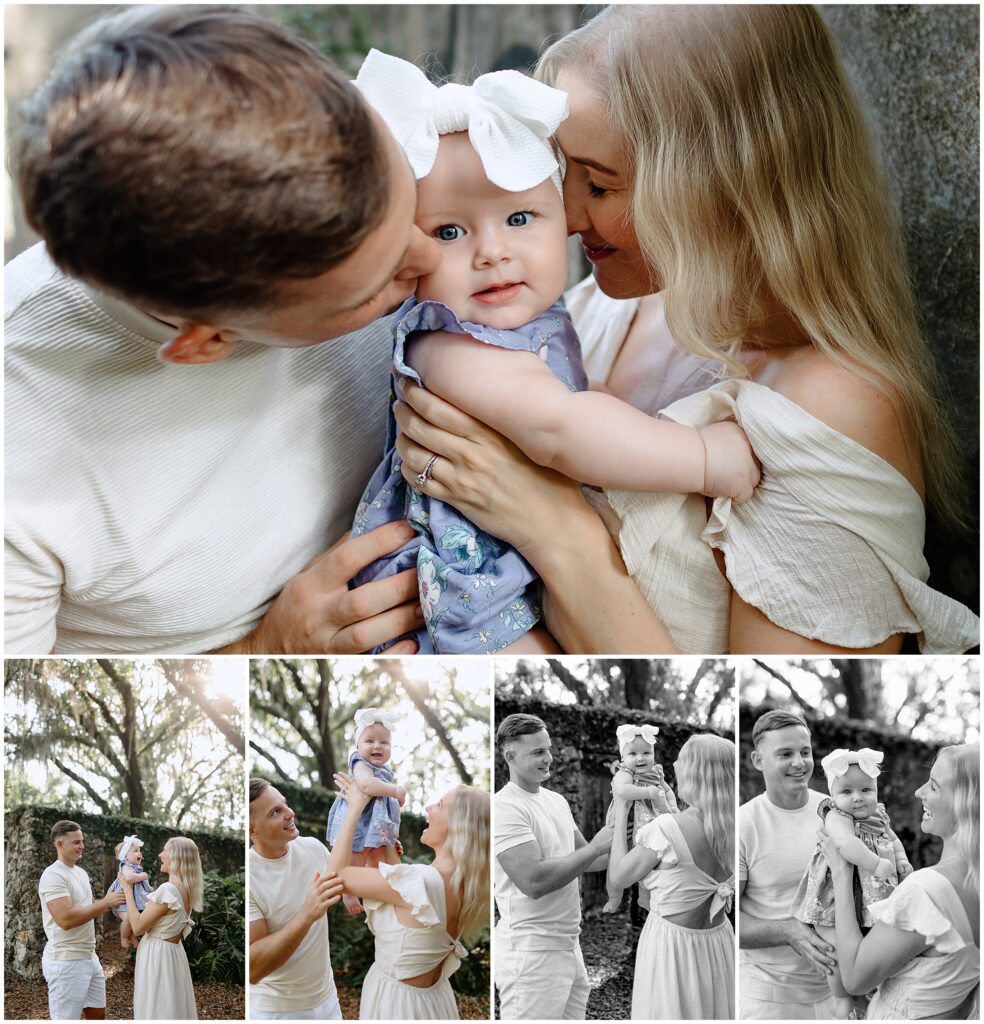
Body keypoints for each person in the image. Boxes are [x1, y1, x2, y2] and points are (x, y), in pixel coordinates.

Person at [390, 4, 980, 655]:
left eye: (602, 185)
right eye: (562, 176)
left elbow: (767, 730)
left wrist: (556, 530)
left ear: (719, 183)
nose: (571, 216)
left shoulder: (833, 409)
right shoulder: (599, 311)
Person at [5, 4, 441, 655]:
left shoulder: (328, 142)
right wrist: (268, 651)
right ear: (204, 343)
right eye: (378, 289)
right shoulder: (21, 449)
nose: (433, 260)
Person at [351, 49, 758, 655]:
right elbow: (559, 427)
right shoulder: (447, 344)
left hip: (505, 572)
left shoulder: (539, 316)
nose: (492, 252)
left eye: (519, 217)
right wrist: (701, 457)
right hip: (453, 593)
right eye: (450, 232)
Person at [821, 743, 980, 1020]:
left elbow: (856, 979)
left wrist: (841, 872)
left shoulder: (926, 892)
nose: (919, 792)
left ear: (965, 803)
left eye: (933, 786)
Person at [329, 771, 490, 1019]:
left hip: (397, 1007)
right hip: (431, 1003)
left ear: (459, 825)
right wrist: (388, 852)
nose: (428, 807)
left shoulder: (422, 881)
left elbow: (337, 875)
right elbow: (410, 911)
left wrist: (355, 808)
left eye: (439, 805)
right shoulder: (464, 884)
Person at [493, 712, 615, 1020]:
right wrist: (598, 846)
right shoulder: (504, 807)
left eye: (548, 749)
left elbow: (590, 859)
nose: (549, 758)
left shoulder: (556, 801)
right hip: (531, 954)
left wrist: (637, 841)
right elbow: (533, 880)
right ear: (511, 756)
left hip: (570, 946)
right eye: (538, 752)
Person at [608, 733, 736, 1020]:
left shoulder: (666, 829)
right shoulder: (738, 830)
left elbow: (617, 878)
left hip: (673, 949)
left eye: (680, 760)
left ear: (694, 773)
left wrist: (621, 810)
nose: (674, 765)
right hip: (718, 943)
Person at [791, 747, 913, 1017]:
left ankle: (872, 990)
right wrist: (877, 863)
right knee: (833, 947)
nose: (857, 798)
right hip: (834, 896)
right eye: (846, 792)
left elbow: (892, 839)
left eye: (866, 790)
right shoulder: (837, 816)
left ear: (876, 791)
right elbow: (845, 846)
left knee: (872, 944)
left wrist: (901, 859)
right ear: (833, 796)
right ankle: (841, 997)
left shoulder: (879, 816)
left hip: (872, 894)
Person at [738, 710, 838, 1019]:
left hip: (837, 994)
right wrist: (787, 931)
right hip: (767, 1001)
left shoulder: (835, 812)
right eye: (785, 754)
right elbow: (725, 920)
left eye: (805, 752)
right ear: (758, 760)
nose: (799, 763)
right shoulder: (743, 824)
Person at [249, 779, 345, 1019]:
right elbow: (253, 968)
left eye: (285, 804)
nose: (290, 813)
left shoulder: (313, 848)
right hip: (277, 1012)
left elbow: (352, 879)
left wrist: (382, 851)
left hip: (329, 1001)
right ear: (252, 830)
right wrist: (307, 913)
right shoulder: (250, 877)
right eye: (276, 812)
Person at [38, 819, 126, 1021]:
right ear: (59, 844)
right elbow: (65, 919)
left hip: (90, 957)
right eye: (76, 842)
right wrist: (105, 903)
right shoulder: (53, 875)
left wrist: (114, 900)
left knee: (97, 1015)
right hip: (66, 961)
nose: (82, 846)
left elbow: (89, 906)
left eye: (82, 841)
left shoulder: (81, 872)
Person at [325, 707, 405, 914]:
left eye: (384, 742)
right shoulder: (360, 763)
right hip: (361, 821)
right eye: (370, 741)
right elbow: (368, 786)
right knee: (357, 855)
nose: (377, 746)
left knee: (379, 859)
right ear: (358, 746)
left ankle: (379, 889)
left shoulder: (384, 770)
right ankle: (349, 893)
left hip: (376, 825)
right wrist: (396, 791)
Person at [119, 836, 202, 1020]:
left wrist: (126, 889)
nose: (160, 854)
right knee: (171, 1005)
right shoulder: (186, 890)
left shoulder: (168, 890)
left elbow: (139, 927)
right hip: (173, 954)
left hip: (158, 956)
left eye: (165, 851)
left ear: (176, 857)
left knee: (157, 1007)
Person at [603, 722, 677, 914]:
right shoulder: (624, 773)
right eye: (633, 754)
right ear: (622, 757)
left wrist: (673, 806)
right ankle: (614, 897)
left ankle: (645, 898)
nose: (640, 758)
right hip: (627, 819)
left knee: (649, 862)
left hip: (651, 821)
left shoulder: (656, 773)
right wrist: (648, 792)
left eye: (646, 753)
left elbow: (668, 791)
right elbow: (623, 790)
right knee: (616, 858)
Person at [108, 834, 153, 949]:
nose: (140, 853)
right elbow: (129, 878)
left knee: (136, 918)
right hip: (123, 901)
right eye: (136, 851)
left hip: (133, 902)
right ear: (126, 856)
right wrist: (143, 876)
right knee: (128, 919)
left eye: (139, 851)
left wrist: (150, 889)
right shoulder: (126, 866)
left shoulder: (136, 868)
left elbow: (144, 884)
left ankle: (132, 936)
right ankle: (123, 937)